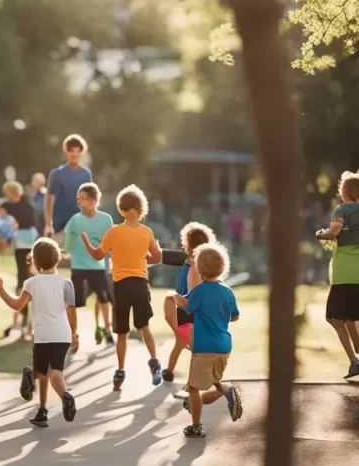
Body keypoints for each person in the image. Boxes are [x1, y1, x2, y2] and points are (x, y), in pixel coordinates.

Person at [81, 184, 163, 390]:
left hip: (121, 286)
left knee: (122, 333)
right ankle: (154, 362)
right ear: (141, 209)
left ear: (121, 210)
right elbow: (158, 256)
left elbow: (98, 255)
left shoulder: (114, 232)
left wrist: (86, 242)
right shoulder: (147, 232)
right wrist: (144, 256)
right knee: (144, 326)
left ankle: (120, 370)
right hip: (141, 284)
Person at [0, 238, 78, 427]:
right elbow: (72, 312)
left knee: (42, 373)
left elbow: (16, 305)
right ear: (58, 260)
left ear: (35, 262)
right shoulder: (67, 284)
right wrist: (75, 334)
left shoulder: (31, 283)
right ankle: (64, 396)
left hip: (43, 336)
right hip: (62, 335)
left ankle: (40, 403)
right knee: (55, 371)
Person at [174, 242, 243, 438]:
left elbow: (188, 308)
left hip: (204, 347)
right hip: (223, 345)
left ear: (200, 268)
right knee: (214, 380)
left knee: (193, 388)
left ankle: (196, 426)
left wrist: (179, 301)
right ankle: (226, 390)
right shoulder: (228, 292)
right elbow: (235, 316)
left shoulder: (200, 291)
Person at [316, 171, 359, 379]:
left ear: (345, 192)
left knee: (335, 317)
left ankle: (354, 361)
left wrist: (320, 234)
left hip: (346, 273)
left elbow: (333, 232)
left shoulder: (342, 209)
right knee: (352, 315)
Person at [162, 222, 216, 382]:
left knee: (190, 345)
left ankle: (199, 379)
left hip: (190, 308)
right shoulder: (191, 259)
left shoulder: (199, 264)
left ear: (189, 244)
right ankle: (170, 371)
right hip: (183, 307)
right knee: (181, 342)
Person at [64, 182, 114, 345]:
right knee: (73, 302)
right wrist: (64, 253)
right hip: (78, 268)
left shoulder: (106, 219)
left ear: (93, 201)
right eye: (78, 199)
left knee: (104, 299)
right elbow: (68, 245)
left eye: (83, 199)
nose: (79, 202)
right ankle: (73, 335)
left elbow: (110, 243)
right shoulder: (75, 220)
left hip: (98, 268)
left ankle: (107, 330)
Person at [0, 180, 38, 340]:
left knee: (28, 278)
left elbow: (32, 223)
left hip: (29, 241)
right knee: (22, 279)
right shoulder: (6, 206)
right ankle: (23, 320)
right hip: (19, 244)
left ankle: (27, 322)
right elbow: (2, 223)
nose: (11, 196)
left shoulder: (27, 204)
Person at [44, 134, 92, 240]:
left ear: (81, 153)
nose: (74, 154)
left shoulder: (86, 174)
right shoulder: (56, 173)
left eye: (77, 151)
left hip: (79, 222)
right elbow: (49, 199)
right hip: (58, 224)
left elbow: (90, 199)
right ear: (66, 151)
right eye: (71, 150)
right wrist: (48, 224)